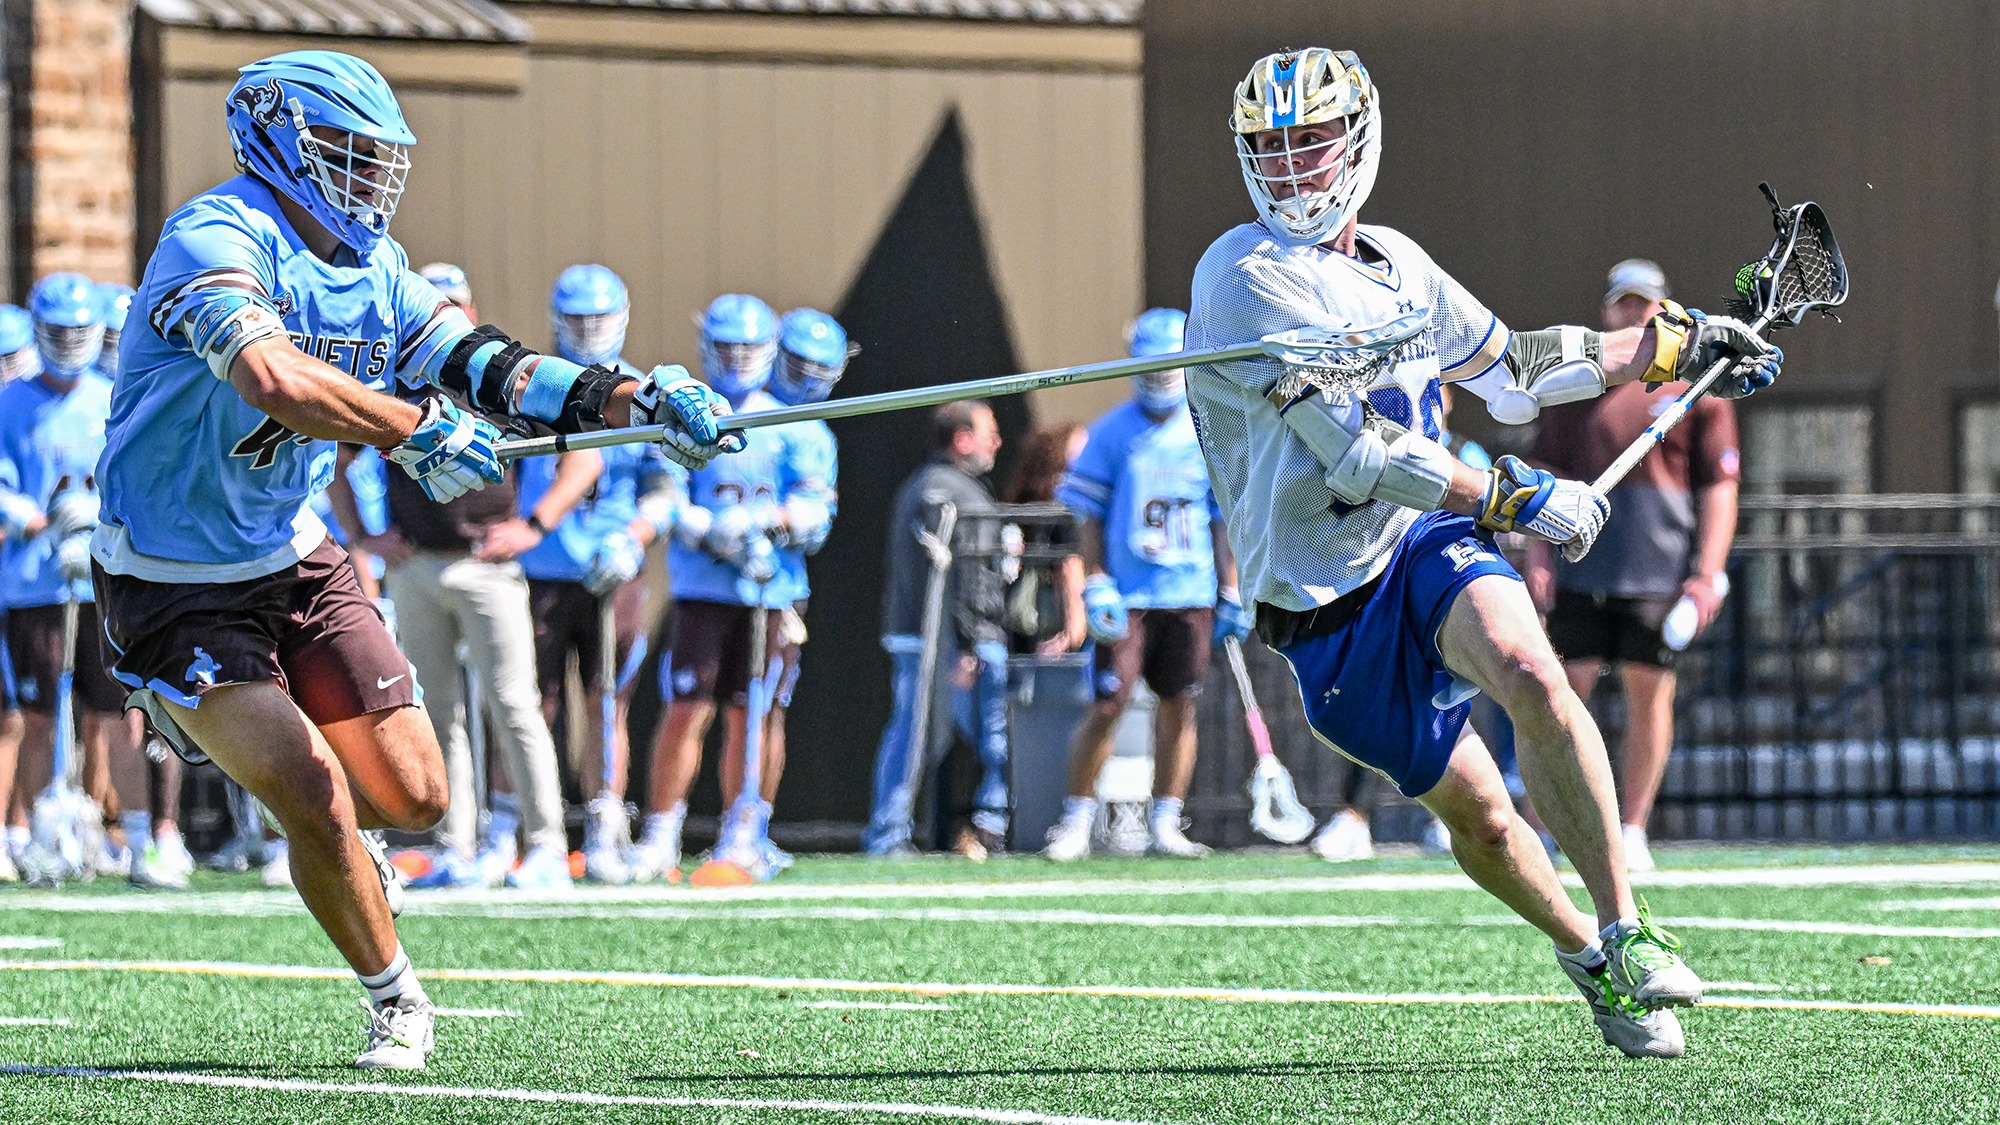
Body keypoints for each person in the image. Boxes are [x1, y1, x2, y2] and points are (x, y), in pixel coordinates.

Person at [89, 51, 727, 1069]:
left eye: (374, 158)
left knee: (414, 800)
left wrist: (634, 402)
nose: (365, 179)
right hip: (173, 578)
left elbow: (491, 365)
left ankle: (331, 832)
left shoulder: (376, 269)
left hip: (292, 553)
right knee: (313, 794)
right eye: (343, 154)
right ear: (278, 144)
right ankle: (394, 998)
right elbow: (272, 378)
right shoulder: (214, 235)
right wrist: (405, 428)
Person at [1184, 48, 1779, 1058]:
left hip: (1418, 536)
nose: (1289, 165)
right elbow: (1356, 451)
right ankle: (1587, 957)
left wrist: (1664, 354)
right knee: (1486, 821)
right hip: (1321, 597)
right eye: (1269, 146)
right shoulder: (1239, 279)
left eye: (1309, 139)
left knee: (1530, 671)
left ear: (1358, 136)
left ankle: (1629, 927)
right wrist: (1513, 495)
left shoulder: (1401, 263)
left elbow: (1512, 368)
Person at [1526, 259, 1742, 874]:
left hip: (1659, 570)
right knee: (1561, 700)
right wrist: (1539, 555)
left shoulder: (1696, 388)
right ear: (1606, 312)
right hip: (1580, 563)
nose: (1634, 315)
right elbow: (1549, 475)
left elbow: (1718, 486)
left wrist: (1707, 573)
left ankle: (1633, 827)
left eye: (1644, 304)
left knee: (1651, 697)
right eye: (1623, 304)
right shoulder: (1576, 386)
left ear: (1665, 311)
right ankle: (1552, 827)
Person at [628, 295, 834, 881]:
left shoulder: (796, 424)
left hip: (772, 590)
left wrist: (769, 525)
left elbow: (817, 511)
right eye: (726, 348)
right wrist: (703, 527)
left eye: (748, 349)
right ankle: (661, 832)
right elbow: (663, 490)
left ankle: (746, 830)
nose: (737, 360)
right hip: (701, 588)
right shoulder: (694, 410)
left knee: (758, 714)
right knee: (685, 709)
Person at [1042, 308, 1245, 861]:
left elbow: (1219, 519)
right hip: (1130, 594)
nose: (1159, 378)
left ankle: (1166, 820)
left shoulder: (1207, 428)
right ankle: (1077, 819)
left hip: (1189, 589)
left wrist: (1230, 589)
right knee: (1108, 704)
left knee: (1180, 705)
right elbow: (1088, 515)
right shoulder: (1111, 431)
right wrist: (1097, 582)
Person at [517, 264, 670, 885]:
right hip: (539, 570)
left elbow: (664, 486)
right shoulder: (533, 385)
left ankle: (605, 824)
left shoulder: (638, 391)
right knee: (530, 705)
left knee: (608, 700)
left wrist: (634, 538)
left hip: (612, 571)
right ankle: (528, 828)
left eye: (598, 320)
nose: (587, 331)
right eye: (576, 320)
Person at [1, 274, 145, 879]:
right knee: (36, 717)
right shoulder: (10, 401)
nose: (68, 342)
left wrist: (102, 513)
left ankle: (137, 835)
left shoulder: (113, 396)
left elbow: (137, 476)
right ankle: (20, 831)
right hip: (35, 579)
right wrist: (31, 518)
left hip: (101, 579)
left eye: (77, 332)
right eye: (57, 332)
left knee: (116, 710)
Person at [861, 401, 1011, 857]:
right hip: (948, 641)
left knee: (919, 732)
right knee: (986, 734)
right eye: (990, 432)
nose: (998, 442)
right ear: (962, 439)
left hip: (936, 637)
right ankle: (900, 833)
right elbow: (963, 576)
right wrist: (967, 642)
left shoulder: (936, 486)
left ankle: (978, 824)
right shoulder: (949, 491)